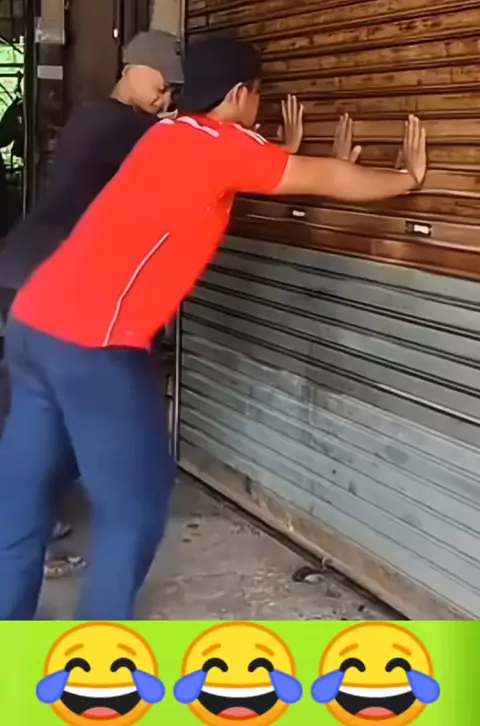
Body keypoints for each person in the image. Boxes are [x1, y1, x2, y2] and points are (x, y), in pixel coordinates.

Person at [0, 36, 427, 620]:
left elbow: (244, 167)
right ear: (240, 93)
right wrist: (405, 178)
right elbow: (325, 177)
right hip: (93, 343)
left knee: (23, 495)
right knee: (135, 503)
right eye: (259, 95)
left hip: (33, 323)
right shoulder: (220, 146)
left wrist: (279, 151)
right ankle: (96, 652)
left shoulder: (167, 135)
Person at [0, 29, 183, 581]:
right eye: (162, 85)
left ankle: (31, 524)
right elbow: (183, 148)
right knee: (39, 415)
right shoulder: (114, 124)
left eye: (172, 91)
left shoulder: (104, 120)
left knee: (37, 412)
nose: (165, 98)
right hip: (37, 278)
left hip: (34, 274)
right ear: (133, 68)